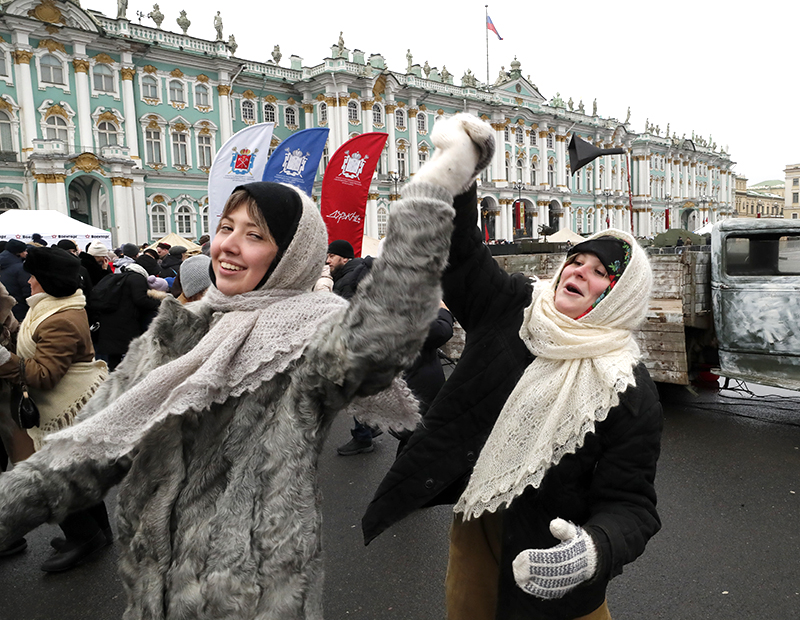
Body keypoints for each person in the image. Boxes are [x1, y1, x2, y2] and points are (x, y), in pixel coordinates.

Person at [0, 112, 494, 620]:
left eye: (254, 235)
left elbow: (387, 325)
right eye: (224, 228)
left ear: (293, 255)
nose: (228, 245)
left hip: (254, 600)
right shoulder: (177, 331)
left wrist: (438, 187)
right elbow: (88, 452)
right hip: (151, 593)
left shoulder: (310, 338)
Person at [363, 193, 663, 617]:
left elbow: (632, 503)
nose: (579, 271)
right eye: (577, 261)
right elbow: (462, 253)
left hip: (554, 561)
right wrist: (462, 178)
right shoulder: (515, 308)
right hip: (477, 526)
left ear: (621, 297)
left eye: (600, 273)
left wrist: (592, 550)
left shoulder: (627, 387)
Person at [0, 247, 110, 569]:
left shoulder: (60, 318)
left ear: (46, 281)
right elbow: (34, 342)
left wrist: (4, 360)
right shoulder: (50, 307)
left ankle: (85, 537)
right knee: (73, 472)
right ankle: (99, 532)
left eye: (34, 276)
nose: (29, 281)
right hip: (59, 409)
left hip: (59, 409)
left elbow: (44, 375)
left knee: (51, 477)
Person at [326, 239, 381, 455]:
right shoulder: (353, 273)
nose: (328, 260)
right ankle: (369, 426)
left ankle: (363, 436)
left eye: (332, 256)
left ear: (344, 258)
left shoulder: (348, 280)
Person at [90, 263, 162, 371]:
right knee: (132, 354)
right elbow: (140, 299)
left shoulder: (119, 278)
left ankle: (112, 378)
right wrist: (160, 303)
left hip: (110, 321)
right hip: (126, 322)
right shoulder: (137, 278)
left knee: (114, 357)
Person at [0, 239, 31, 321]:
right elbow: (28, 291)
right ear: (18, 253)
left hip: (3, 311)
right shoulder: (21, 268)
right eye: (24, 251)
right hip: (19, 311)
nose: (26, 253)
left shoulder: (4, 264)